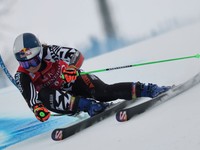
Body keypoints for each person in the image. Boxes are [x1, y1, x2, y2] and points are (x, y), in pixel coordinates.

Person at [13, 33, 170, 122]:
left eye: (33, 60)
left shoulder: (49, 52)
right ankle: (89, 106)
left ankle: (148, 89)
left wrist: (72, 67)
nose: (30, 66)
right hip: (61, 100)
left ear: (40, 52)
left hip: (74, 82)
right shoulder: (22, 76)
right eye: (24, 63)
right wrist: (39, 110)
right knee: (44, 95)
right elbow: (33, 100)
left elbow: (75, 54)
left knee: (103, 92)